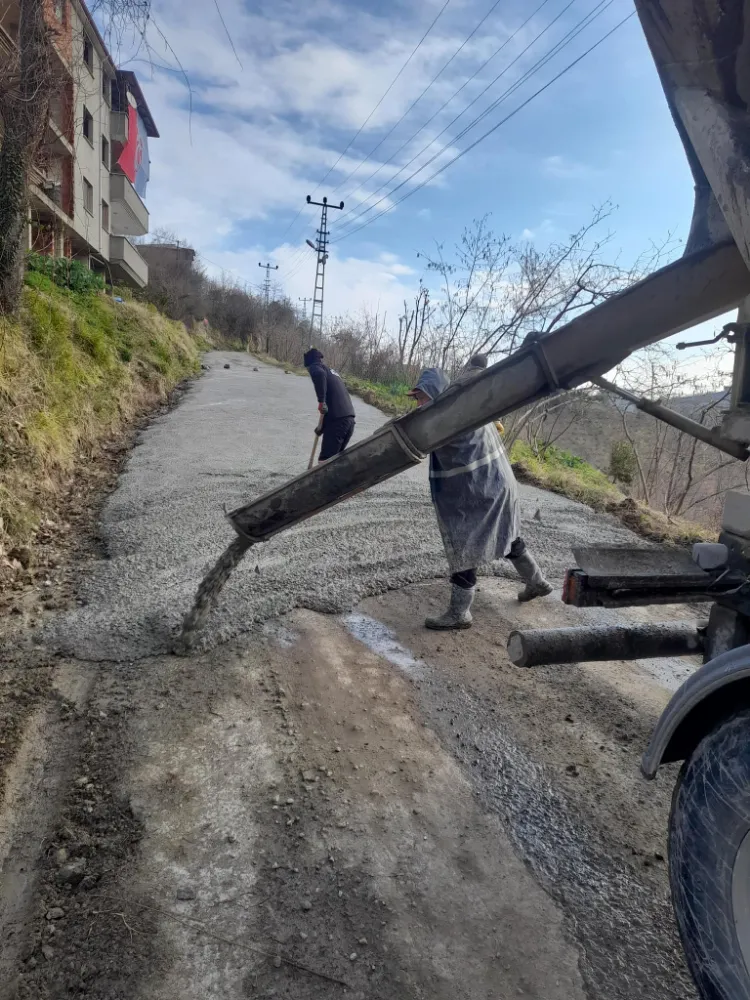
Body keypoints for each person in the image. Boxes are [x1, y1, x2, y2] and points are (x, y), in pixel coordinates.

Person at [407, 367, 552, 630]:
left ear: (437, 394)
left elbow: (413, 438)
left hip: (482, 491)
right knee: (509, 536)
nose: (418, 404)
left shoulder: (445, 418)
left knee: (465, 543)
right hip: (501, 484)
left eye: (421, 397)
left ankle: (460, 613)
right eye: (416, 399)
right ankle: (537, 581)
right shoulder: (468, 407)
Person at [303, 348, 356, 461]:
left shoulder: (316, 367)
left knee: (325, 462)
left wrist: (321, 401)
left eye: (307, 369)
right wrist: (321, 428)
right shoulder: (331, 372)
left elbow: (318, 374)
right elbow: (331, 406)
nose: (309, 371)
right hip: (349, 421)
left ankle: (318, 479)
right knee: (334, 462)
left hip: (338, 423)